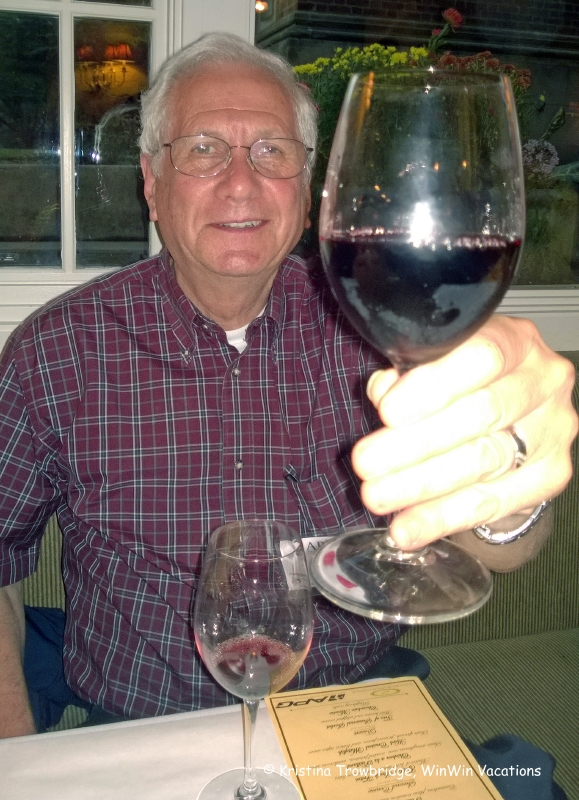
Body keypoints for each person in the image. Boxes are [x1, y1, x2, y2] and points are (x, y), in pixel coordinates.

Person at [0, 32, 576, 741]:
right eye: (204, 148)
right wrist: (13, 758)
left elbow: (500, 550)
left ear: (308, 192)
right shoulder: (56, 353)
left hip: (355, 715)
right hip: (136, 730)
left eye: (272, 151)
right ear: (151, 181)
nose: (241, 182)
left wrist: (513, 490)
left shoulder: (387, 321)